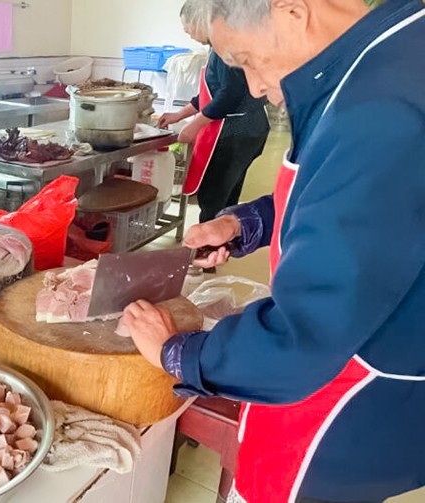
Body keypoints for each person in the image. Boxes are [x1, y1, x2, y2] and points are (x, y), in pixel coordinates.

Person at [121, 0, 425, 502]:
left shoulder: (377, 106)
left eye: (246, 59)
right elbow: (345, 194)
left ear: (291, 11)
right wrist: (247, 222)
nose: (256, 86)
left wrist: (178, 353)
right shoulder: (378, 58)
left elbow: (301, 339)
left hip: (342, 397)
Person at [159, 1, 270, 225]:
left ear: (201, 19)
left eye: (187, 26)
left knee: (214, 197)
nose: (187, 32)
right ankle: (218, 245)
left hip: (237, 132)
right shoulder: (220, 45)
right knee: (226, 193)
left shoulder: (225, 45)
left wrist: (194, 125)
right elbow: (211, 93)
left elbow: (229, 94)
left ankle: (207, 253)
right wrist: (179, 115)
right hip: (249, 128)